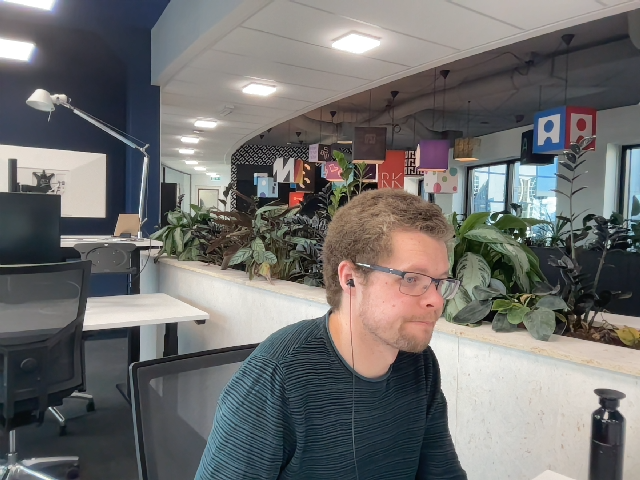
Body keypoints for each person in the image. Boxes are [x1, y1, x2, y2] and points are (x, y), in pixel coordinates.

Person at [195, 189, 467, 480]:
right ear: (350, 278)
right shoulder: (277, 377)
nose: (436, 300)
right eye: (411, 279)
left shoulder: (418, 364)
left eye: (439, 282)